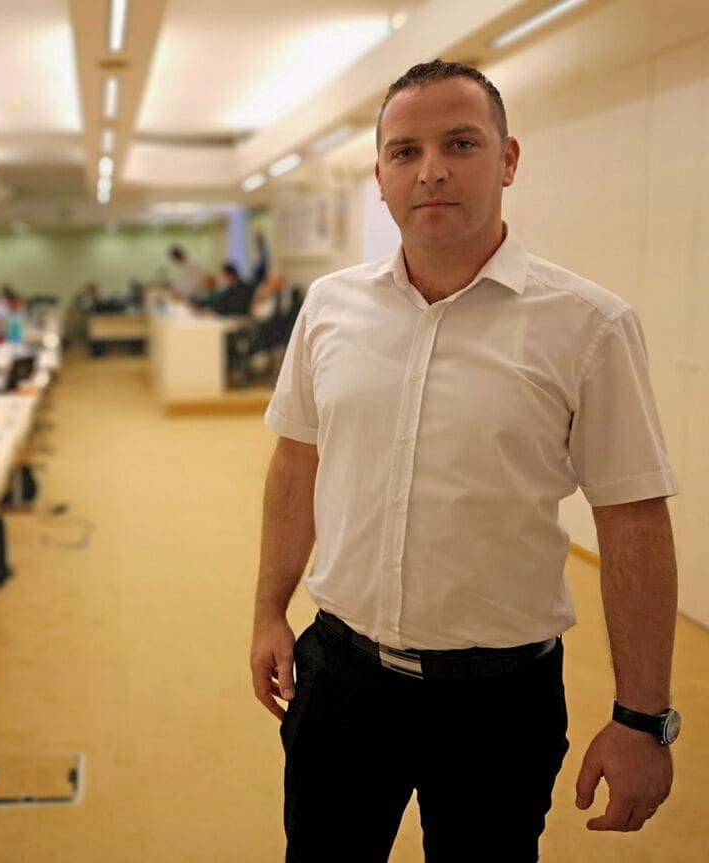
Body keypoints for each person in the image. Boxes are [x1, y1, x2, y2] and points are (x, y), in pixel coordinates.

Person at [250, 60, 679, 862]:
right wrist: (270, 609)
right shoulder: (330, 307)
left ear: (507, 159)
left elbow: (633, 519)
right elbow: (296, 462)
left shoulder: (588, 325)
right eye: (405, 151)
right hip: (340, 679)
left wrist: (642, 718)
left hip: (501, 703)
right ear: (380, 176)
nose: (431, 170)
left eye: (460, 143)